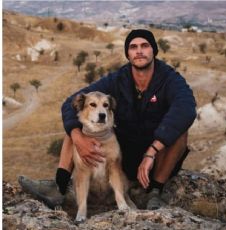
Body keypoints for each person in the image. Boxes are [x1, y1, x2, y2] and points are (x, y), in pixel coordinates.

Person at [19, 29, 197, 210]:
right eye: (133, 47)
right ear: (128, 53)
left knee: (180, 132)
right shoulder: (118, 79)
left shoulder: (170, 79)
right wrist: (78, 139)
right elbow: (70, 104)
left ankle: (155, 192)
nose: (139, 51)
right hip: (122, 157)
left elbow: (187, 109)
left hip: (155, 159)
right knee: (76, 124)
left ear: (154, 51)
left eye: (145, 46)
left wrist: (152, 150)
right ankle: (60, 187)